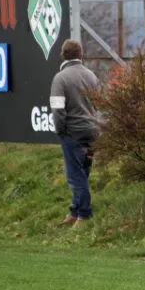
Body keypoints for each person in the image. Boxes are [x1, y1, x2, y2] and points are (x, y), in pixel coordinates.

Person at [50, 39, 101, 228]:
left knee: (75, 176)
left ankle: (84, 215)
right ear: (81, 55)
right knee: (84, 172)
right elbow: (100, 105)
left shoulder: (60, 78)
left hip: (72, 132)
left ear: (63, 55)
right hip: (92, 132)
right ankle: (75, 210)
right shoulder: (92, 76)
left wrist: (60, 130)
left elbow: (57, 110)